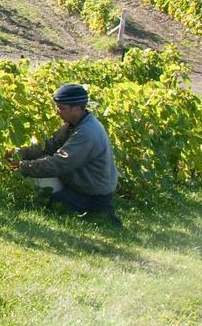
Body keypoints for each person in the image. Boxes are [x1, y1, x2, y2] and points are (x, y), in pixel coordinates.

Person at [6, 83, 120, 222]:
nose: (57, 111)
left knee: (43, 191)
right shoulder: (76, 124)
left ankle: (96, 213)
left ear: (76, 109)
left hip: (91, 196)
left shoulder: (87, 133)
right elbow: (48, 146)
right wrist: (14, 153)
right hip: (80, 186)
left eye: (61, 108)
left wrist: (20, 166)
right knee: (41, 163)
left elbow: (58, 164)